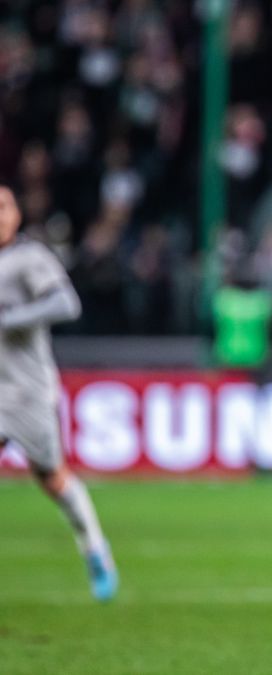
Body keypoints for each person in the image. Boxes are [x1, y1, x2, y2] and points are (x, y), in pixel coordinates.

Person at [0, 184, 118, 601]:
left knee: (51, 477)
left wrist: (12, 318)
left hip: (26, 392)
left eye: (4, 206)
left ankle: (95, 549)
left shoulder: (28, 258)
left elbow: (66, 304)